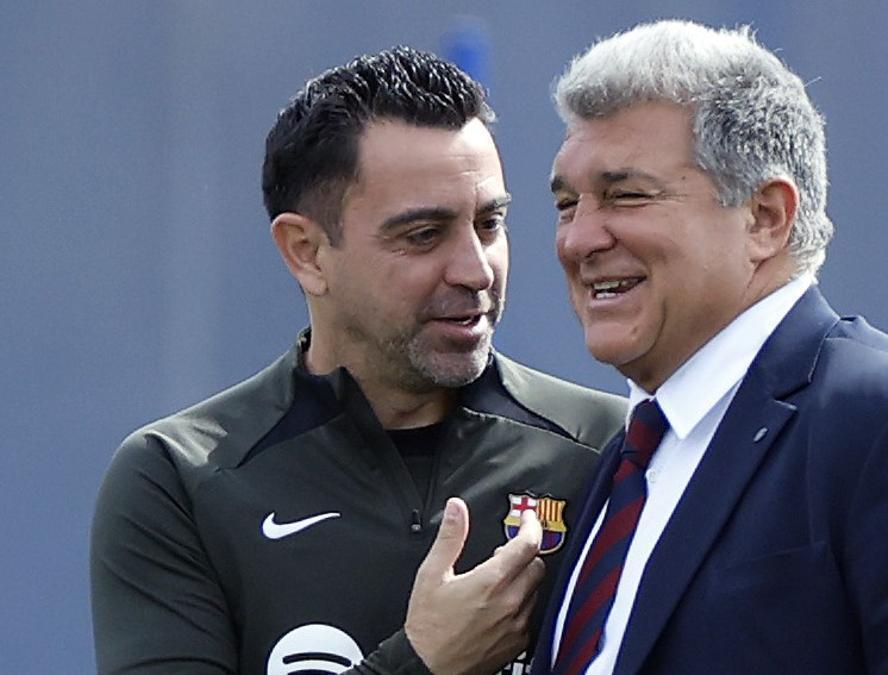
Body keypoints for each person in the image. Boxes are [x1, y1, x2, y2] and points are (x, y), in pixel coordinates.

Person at [533, 20, 888, 675]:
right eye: (565, 204)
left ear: (765, 218)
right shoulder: (620, 464)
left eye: (626, 196)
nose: (578, 239)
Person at [90, 45, 625, 675]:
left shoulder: (611, 449)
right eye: (423, 235)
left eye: (488, 224)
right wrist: (424, 662)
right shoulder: (181, 480)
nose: (476, 270)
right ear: (307, 252)